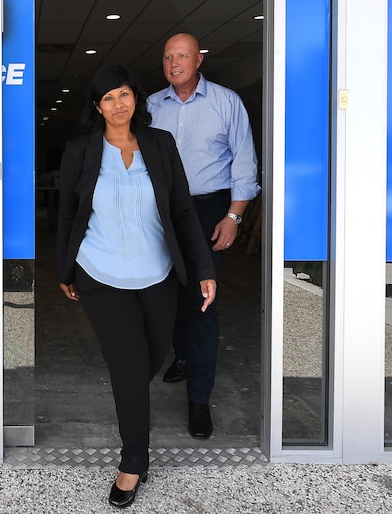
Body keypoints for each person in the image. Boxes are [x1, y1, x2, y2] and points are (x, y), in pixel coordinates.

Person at [57, 64, 216, 509]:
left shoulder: (160, 145)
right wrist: (64, 270)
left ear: (136, 98)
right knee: (128, 367)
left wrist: (204, 268)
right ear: (97, 107)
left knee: (153, 355)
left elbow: (183, 211)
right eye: (108, 97)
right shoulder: (80, 150)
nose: (118, 104)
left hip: (158, 275)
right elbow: (68, 214)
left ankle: (131, 409)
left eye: (124, 94)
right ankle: (133, 462)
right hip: (101, 274)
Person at [147, 33, 261, 440]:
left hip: (209, 210)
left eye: (182, 56)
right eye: (167, 57)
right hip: (162, 213)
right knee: (168, 293)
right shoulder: (151, 106)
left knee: (202, 301)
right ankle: (182, 355)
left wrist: (234, 217)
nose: (174, 63)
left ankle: (199, 399)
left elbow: (245, 165)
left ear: (199, 60)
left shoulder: (226, 102)